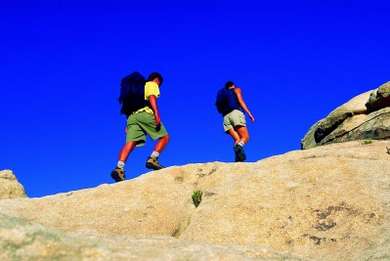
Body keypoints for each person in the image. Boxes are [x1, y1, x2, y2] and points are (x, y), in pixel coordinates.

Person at [111, 72, 170, 182]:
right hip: (145, 113)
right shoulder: (151, 84)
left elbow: (128, 108)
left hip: (132, 118)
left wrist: (127, 124)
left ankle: (119, 168)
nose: (158, 85)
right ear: (156, 79)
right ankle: (153, 159)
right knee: (165, 137)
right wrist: (156, 113)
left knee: (130, 143)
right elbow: (152, 97)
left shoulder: (135, 91)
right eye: (159, 83)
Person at [216, 81, 255, 161]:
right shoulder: (236, 89)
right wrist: (249, 114)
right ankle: (240, 147)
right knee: (245, 137)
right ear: (233, 85)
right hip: (235, 113)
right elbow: (240, 101)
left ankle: (238, 158)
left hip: (226, 117)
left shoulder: (222, 95)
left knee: (237, 139)